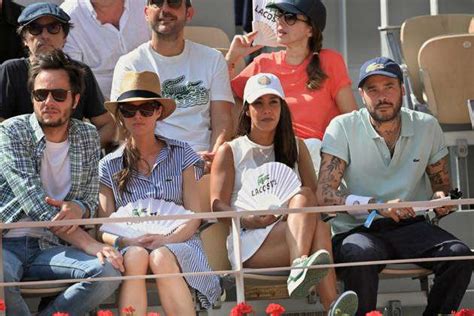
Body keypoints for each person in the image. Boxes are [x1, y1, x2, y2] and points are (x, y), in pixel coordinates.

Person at [316, 57, 473, 316]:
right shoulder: (343, 126)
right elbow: (324, 195)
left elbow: (441, 186)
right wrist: (378, 207)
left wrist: (441, 201)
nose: (382, 96)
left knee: (460, 255)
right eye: (372, 89)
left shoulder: (427, 125)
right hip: (358, 229)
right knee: (360, 254)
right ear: (361, 95)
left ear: (402, 89)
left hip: (412, 227)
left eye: (388, 86)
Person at [211, 73, 358, 315]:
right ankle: (317, 289)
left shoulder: (296, 146)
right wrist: (249, 219)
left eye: (273, 102)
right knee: (316, 226)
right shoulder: (230, 150)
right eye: (258, 103)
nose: (266, 110)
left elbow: (313, 199)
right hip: (248, 240)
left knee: (315, 217)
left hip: (291, 234)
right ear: (247, 110)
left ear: (282, 108)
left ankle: (317, 288)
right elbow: (217, 205)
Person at [0, 49, 124, 316]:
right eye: (40, 94)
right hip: (6, 244)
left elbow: (90, 199)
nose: (48, 101)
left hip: (52, 247)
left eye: (58, 94)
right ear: (32, 98)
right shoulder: (11, 131)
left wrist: (80, 208)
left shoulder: (88, 135)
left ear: (75, 99)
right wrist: (90, 244)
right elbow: (35, 202)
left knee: (109, 271)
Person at [99, 70, 221, 315]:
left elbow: (194, 215)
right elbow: (103, 226)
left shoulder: (182, 153)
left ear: (158, 112)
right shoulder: (109, 164)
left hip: (181, 240)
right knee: (134, 256)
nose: (138, 116)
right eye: (129, 110)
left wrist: (166, 240)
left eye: (146, 109)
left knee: (160, 257)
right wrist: (127, 240)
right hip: (129, 245)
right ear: (121, 116)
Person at [227, 0, 357, 171]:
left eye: (289, 17)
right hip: (270, 151)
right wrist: (232, 57)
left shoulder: (330, 61)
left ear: (310, 29)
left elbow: (352, 118)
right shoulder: (263, 63)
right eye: (278, 15)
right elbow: (222, 98)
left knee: (312, 147)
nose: (280, 21)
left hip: (315, 154)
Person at [111, 0, 234, 169]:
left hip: (204, 163)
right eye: (157, 2)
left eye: (174, 2)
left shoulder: (212, 59)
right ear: (146, 13)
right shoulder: (129, 64)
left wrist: (214, 158)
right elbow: (125, 127)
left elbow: (223, 121)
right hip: (151, 165)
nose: (165, 9)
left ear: (189, 13)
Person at [0, 2, 116, 148]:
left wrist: (81, 152)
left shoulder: (80, 72)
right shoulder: (10, 71)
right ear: (24, 39)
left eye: (53, 28)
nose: (45, 35)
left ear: (65, 37)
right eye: (35, 29)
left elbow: (106, 124)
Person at [61, 0, 151, 98]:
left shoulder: (149, 3)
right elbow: (74, 82)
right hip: (100, 107)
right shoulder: (67, 17)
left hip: (156, 98)